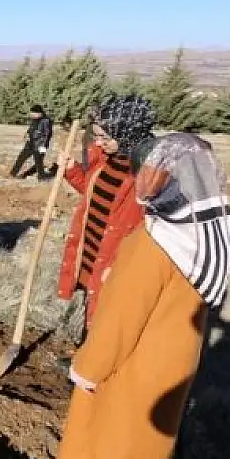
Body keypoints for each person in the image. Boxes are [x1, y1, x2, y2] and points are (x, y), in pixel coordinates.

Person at [54, 131, 230, 459]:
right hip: (170, 371)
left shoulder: (154, 243)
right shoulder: (208, 235)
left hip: (133, 375)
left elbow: (119, 324)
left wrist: (86, 370)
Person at [56, 95, 156, 356]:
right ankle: (85, 356)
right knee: (92, 306)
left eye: (105, 137)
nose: (98, 142)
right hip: (91, 247)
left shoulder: (150, 174)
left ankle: (98, 370)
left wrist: (126, 264)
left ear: (128, 132)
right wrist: (72, 170)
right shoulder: (105, 158)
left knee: (110, 316)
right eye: (97, 136)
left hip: (117, 258)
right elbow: (93, 194)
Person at [10, 104, 54, 180]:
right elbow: (31, 128)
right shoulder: (34, 119)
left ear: (39, 113)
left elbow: (47, 134)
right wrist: (27, 133)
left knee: (39, 161)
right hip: (30, 144)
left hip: (40, 145)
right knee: (21, 158)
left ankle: (41, 177)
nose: (31, 114)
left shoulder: (46, 120)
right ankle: (13, 173)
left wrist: (43, 146)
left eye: (33, 113)